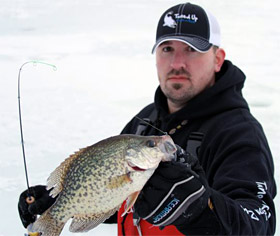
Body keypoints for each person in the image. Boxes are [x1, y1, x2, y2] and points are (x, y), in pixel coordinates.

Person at [18, 2, 276, 235]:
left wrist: (198, 209)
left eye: (191, 50)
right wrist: (60, 201)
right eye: (167, 48)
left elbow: (258, 224)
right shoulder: (144, 121)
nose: (177, 62)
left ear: (217, 59)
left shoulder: (239, 133)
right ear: (155, 57)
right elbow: (117, 196)